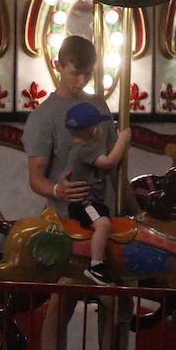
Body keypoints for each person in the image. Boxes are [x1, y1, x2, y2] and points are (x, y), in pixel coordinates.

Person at [22, 35, 150, 350]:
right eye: (75, 70)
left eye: (88, 72)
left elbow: (113, 166)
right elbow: (37, 177)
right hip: (67, 217)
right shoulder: (44, 116)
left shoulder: (99, 107)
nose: (81, 78)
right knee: (63, 305)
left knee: (121, 309)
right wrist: (58, 190)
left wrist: (132, 211)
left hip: (104, 214)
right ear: (60, 65)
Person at [63, 102, 132, 285]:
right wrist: (122, 141)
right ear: (93, 131)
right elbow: (109, 163)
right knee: (103, 225)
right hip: (85, 203)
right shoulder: (84, 150)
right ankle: (96, 266)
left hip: (92, 202)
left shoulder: (78, 149)